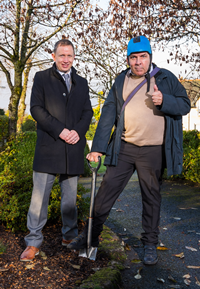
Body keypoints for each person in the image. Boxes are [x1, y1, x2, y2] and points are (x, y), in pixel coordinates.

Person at [67, 36, 191, 265]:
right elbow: (107, 116)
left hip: (153, 151)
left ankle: (150, 245)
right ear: (128, 59)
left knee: (151, 198)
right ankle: (90, 237)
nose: (138, 62)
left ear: (150, 57)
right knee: (105, 193)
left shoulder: (165, 77)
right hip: (124, 148)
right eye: (133, 57)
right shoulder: (120, 80)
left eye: (143, 57)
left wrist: (165, 100)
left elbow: (185, 104)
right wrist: (99, 150)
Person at [20, 39, 93, 262]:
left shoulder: (82, 82)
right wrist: (61, 131)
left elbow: (87, 112)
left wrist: (77, 133)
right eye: (61, 55)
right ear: (54, 56)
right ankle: (33, 242)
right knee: (39, 200)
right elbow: (36, 109)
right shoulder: (42, 78)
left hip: (72, 148)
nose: (65, 59)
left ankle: (69, 237)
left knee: (70, 200)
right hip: (48, 148)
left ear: (73, 57)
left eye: (69, 55)